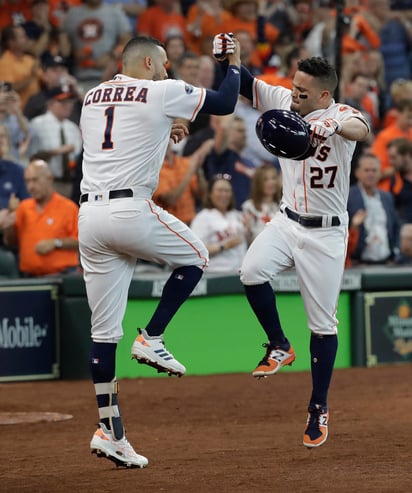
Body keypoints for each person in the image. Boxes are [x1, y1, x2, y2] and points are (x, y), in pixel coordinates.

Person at [78, 35, 241, 468]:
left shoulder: (92, 96)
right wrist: (233, 63)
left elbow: (122, 134)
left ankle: (110, 432)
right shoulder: (159, 89)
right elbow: (225, 103)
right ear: (148, 61)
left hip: (89, 219)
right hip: (129, 210)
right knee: (197, 256)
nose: (168, 71)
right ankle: (152, 336)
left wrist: (164, 126)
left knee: (103, 334)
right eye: (165, 64)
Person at [213, 35, 370, 448]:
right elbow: (245, 84)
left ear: (323, 94)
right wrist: (230, 58)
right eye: (293, 87)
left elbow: (361, 127)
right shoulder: (284, 100)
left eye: (302, 91)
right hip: (286, 220)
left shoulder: (340, 113)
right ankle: (280, 344)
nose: (293, 95)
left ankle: (318, 405)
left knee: (322, 325)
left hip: (327, 232)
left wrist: (332, 122)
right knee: (250, 271)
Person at [3, 158, 80, 277]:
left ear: (49, 179)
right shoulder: (23, 208)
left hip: (63, 277)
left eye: (35, 180)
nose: (31, 186)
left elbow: (81, 241)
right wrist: (8, 227)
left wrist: (56, 243)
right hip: (29, 278)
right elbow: (10, 242)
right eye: (27, 181)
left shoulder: (68, 208)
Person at [28, 86, 83, 197]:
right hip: (47, 183)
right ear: (50, 104)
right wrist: (57, 151)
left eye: (69, 102)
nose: (68, 105)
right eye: (62, 102)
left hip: (71, 182)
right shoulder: (37, 124)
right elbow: (31, 156)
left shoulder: (73, 127)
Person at [347, 153, 400, 265]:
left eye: (374, 170)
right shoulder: (348, 197)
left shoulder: (387, 197)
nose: (370, 174)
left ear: (380, 173)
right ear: (357, 173)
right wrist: (354, 226)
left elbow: (396, 227)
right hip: (358, 263)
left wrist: (395, 253)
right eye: (366, 170)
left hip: (386, 263)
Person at [190, 175, 248, 273]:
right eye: (220, 190)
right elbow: (194, 250)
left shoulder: (237, 215)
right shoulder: (203, 217)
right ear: (210, 194)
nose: (224, 194)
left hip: (240, 273)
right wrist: (223, 246)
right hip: (216, 273)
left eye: (227, 191)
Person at [153, 138, 213, 225]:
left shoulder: (183, 162)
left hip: (191, 222)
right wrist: (190, 172)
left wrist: (199, 171)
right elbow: (170, 200)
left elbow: (202, 194)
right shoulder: (155, 170)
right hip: (169, 225)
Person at [241, 163, 281, 243]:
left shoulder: (283, 206)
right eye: (265, 179)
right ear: (258, 183)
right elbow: (248, 238)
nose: (271, 182)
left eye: (273, 178)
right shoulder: (249, 206)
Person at [386, 138, 412, 224]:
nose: (391, 161)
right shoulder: (394, 179)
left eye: (394, 157)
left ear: (407, 155)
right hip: (403, 227)